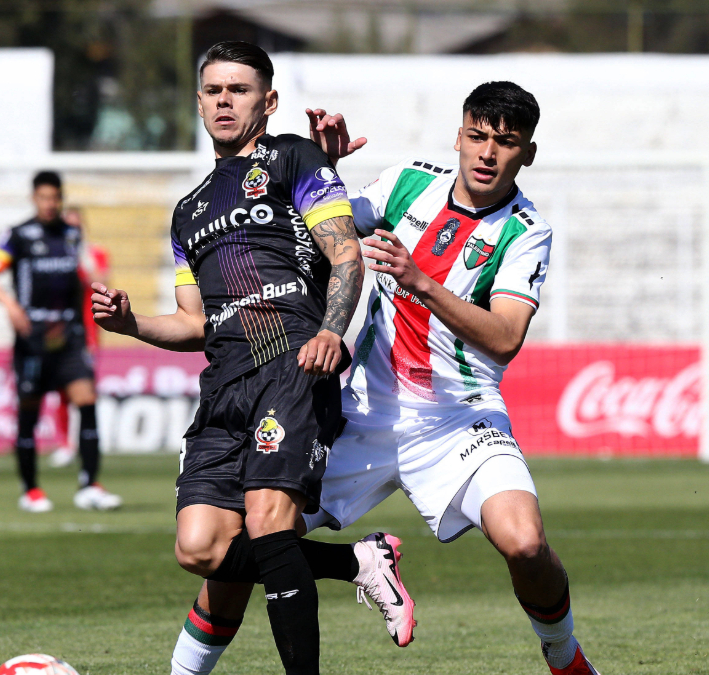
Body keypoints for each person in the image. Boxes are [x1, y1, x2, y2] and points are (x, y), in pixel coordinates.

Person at [197, 82, 602, 675]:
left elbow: (506, 338)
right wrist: (323, 171)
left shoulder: (525, 229)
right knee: (239, 546)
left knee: (525, 542)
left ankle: (565, 659)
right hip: (361, 412)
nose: (488, 153)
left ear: (527, 154)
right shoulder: (408, 182)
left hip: (458, 418)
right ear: (459, 136)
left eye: (506, 143)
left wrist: (421, 282)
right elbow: (315, 234)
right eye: (479, 137)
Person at [91, 42, 414, 675]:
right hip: (224, 386)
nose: (224, 101)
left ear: (267, 101)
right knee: (201, 547)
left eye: (239, 90)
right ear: (199, 101)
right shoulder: (188, 211)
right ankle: (358, 561)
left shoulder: (293, 157)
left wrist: (331, 331)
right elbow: (192, 324)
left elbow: (346, 254)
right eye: (213, 90)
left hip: (291, 364)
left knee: (269, 520)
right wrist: (130, 324)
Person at [0, 171, 122, 513]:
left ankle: (90, 484)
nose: (50, 204)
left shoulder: (72, 235)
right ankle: (30, 489)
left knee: (86, 401)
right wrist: (11, 305)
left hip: (70, 335)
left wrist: (98, 283)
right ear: (35, 198)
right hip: (33, 337)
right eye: (44, 198)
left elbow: (88, 275)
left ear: (60, 198)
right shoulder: (18, 236)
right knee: (28, 410)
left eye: (55, 198)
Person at [48, 207, 111, 469]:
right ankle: (65, 444)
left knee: (84, 388)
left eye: (77, 225)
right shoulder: (53, 254)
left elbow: (103, 283)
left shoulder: (93, 253)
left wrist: (83, 260)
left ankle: (86, 441)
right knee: (60, 389)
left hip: (86, 331)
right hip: (57, 329)